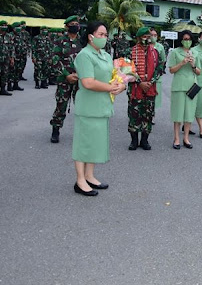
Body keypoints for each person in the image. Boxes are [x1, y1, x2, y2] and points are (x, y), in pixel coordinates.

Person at [72, 21, 125, 196]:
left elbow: (113, 76)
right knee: (83, 143)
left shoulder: (106, 55)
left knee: (95, 142)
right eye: (101, 34)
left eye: (105, 35)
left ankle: (89, 175)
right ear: (90, 36)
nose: (104, 38)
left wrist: (121, 85)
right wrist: (111, 88)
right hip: (88, 107)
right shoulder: (84, 55)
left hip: (102, 106)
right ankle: (80, 181)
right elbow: (87, 82)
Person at [127, 27, 165, 150]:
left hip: (150, 88)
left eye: (149, 37)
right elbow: (126, 70)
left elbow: (160, 68)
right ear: (138, 38)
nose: (148, 39)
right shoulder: (130, 51)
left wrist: (150, 81)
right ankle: (134, 141)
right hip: (135, 89)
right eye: (145, 37)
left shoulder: (155, 52)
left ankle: (144, 141)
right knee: (134, 115)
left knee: (148, 115)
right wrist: (140, 82)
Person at [50, 16, 82, 144]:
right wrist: (67, 74)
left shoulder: (83, 42)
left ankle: (82, 133)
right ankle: (55, 130)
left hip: (80, 80)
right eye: (72, 24)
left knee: (81, 107)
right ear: (67, 27)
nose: (75, 26)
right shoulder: (59, 41)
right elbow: (54, 60)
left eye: (77, 23)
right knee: (61, 105)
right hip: (64, 79)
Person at [169, 30, 201, 149]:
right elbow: (171, 70)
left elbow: (199, 71)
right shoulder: (175, 52)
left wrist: (193, 65)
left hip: (192, 86)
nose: (187, 41)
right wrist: (182, 63)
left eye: (189, 39)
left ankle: (186, 138)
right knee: (178, 113)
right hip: (178, 86)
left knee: (189, 113)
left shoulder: (195, 53)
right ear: (181, 40)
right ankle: (176, 138)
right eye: (185, 39)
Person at [150, 28, 167, 114]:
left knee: (155, 95)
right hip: (146, 75)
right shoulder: (145, 45)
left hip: (156, 75)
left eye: (155, 35)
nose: (153, 37)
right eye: (151, 35)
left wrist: (159, 70)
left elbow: (163, 60)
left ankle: (152, 114)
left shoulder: (160, 47)